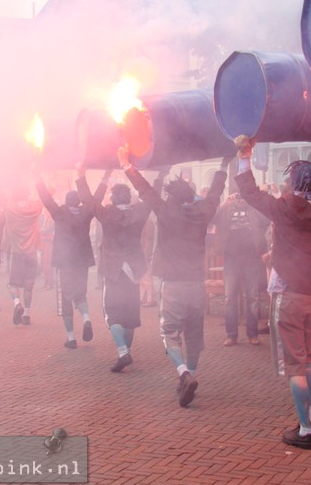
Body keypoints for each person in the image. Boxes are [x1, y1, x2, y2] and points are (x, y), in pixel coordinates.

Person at [234, 138, 311, 451]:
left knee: (294, 365)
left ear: (291, 181)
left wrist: (244, 156)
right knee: (307, 358)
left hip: (289, 295)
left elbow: (249, 192)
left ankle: (305, 429)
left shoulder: (285, 207)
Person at [122, 150, 229, 405]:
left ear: (171, 196)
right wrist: (223, 166)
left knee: (168, 332)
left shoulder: (166, 211)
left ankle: (183, 373)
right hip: (196, 284)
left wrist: (127, 165)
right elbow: (214, 194)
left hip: (172, 284)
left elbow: (145, 191)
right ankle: (190, 375)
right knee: (193, 334)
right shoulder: (202, 212)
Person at [79, 166, 151, 373]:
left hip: (113, 270)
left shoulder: (107, 213)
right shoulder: (139, 211)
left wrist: (95, 176)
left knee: (112, 314)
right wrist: (155, 173)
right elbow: (150, 196)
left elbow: (90, 200)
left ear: (113, 198)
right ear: (129, 198)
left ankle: (122, 352)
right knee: (129, 314)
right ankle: (126, 351)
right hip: (133, 270)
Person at [35, 168, 98, 349]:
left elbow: (46, 199)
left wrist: (38, 179)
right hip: (82, 261)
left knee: (65, 297)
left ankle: (71, 338)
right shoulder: (86, 212)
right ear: (78, 202)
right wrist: (105, 179)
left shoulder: (60, 213)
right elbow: (96, 199)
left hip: (65, 262)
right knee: (80, 294)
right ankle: (86, 318)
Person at [212, 193, 269, 347]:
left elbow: (266, 220)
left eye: (244, 197)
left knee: (253, 297)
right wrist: (224, 203)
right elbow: (213, 218)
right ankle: (231, 335)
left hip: (251, 258)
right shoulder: (226, 209)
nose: (241, 200)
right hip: (231, 259)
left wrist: (254, 201)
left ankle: (252, 334)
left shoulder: (254, 209)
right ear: (234, 197)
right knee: (230, 297)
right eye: (238, 197)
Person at [3, 184, 43, 325]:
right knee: (28, 285)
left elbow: (7, 202)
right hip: (31, 252)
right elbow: (40, 201)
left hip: (17, 253)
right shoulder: (33, 209)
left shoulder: (10, 208)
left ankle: (16, 303)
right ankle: (26, 314)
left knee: (12, 284)